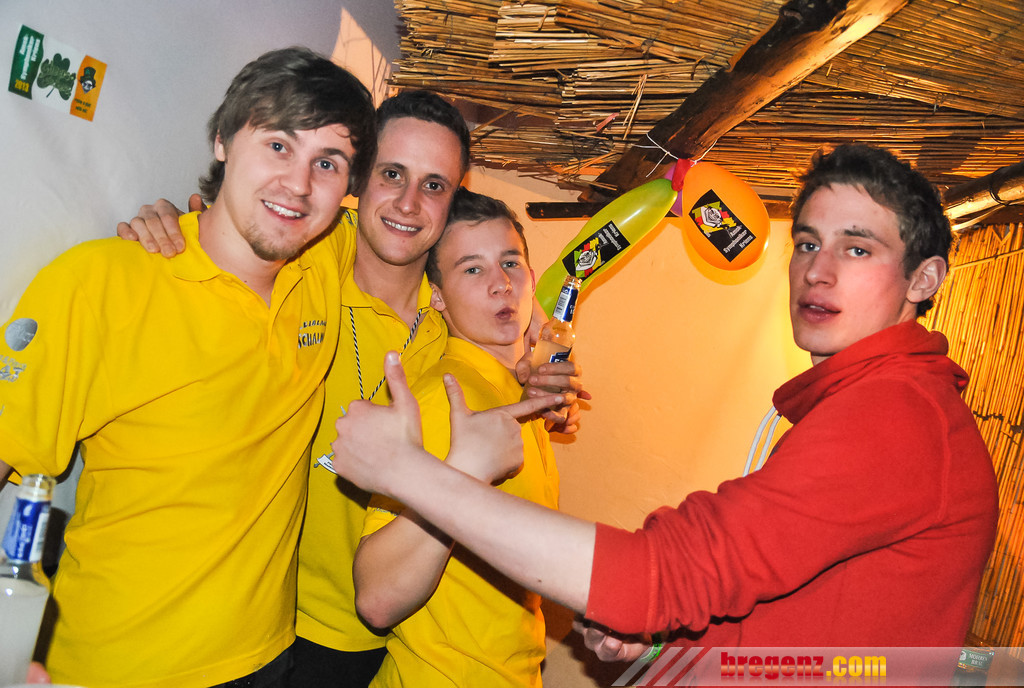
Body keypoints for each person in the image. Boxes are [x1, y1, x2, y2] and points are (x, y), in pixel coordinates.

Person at [327, 144, 999, 677]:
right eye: (806, 243)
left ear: (924, 278)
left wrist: (410, 472)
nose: (818, 271)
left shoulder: (894, 414)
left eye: (857, 248)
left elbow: (672, 573)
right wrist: (666, 639)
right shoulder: (870, 403)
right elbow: (808, 627)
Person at [117, 90, 582, 688]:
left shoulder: (451, 321)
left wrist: (539, 370)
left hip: (386, 638)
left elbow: (498, 334)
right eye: (392, 174)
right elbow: (227, 234)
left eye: (434, 185)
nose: (409, 203)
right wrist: (168, 227)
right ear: (359, 174)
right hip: (260, 618)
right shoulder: (301, 260)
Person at [0, 47, 377, 687]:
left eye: (328, 163)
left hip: (267, 657)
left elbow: (431, 231)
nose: (299, 185)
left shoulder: (324, 260)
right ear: (222, 141)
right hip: (117, 669)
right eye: (278, 146)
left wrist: (528, 324)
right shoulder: (99, 283)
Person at [354, 188, 560, 687]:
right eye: (472, 269)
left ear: (532, 279)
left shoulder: (516, 391)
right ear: (438, 297)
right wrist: (464, 474)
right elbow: (377, 595)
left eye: (510, 263)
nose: (501, 284)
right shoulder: (445, 400)